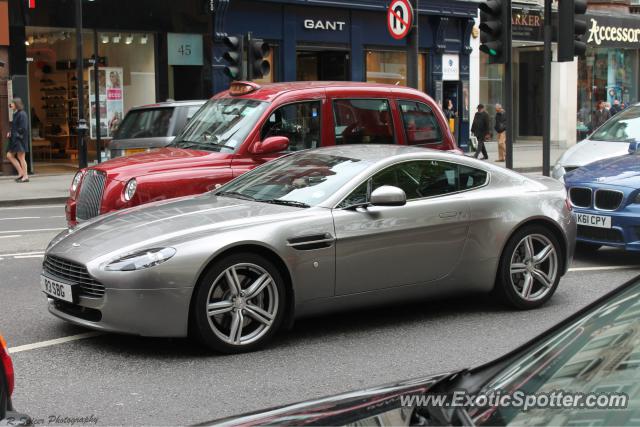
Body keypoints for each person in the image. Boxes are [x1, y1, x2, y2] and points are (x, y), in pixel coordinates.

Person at [6, 98, 29, 183]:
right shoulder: (17, 114)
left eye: (12, 103)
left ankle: (25, 176)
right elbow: (15, 126)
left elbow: (23, 128)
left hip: (20, 139)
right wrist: (10, 132)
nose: (10, 105)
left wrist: (15, 134)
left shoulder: (22, 114)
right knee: (9, 155)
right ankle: (21, 173)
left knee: (21, 157)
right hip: (16, 139)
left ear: (16, 104)